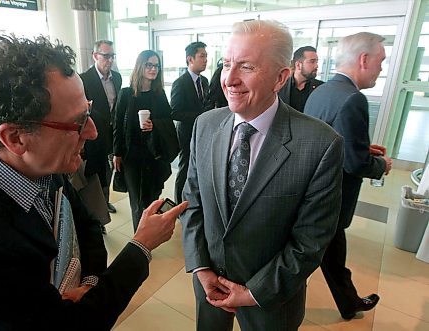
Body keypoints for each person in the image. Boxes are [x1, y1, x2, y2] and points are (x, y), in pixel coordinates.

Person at [0, 35, 187, 330]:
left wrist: (90, 285)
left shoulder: (40, 158)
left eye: (87, 113)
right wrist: (141, 245)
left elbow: (86, 224)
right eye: (77, 122)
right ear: (15, 138)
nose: (91, 132)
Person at [181, 20, 345, 330]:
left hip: (271, 298)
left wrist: (255, 291)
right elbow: (192, 201)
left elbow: (311, 239)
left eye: (246, 67)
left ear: (280, 77)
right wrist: (199, 265)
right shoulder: (205, 125)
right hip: (209, 284)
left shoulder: (320, 144)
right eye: (226, 64)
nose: (228, 79)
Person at [304, 32, 393, 321]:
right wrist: (382, 165)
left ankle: (349, 301)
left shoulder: (322, 91)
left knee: (330, 253)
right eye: (381, 61)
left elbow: (328, 140)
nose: (382, 68)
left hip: (312, 191)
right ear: (364, 59)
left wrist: (361, 147)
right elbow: (354, 164)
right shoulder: (353, 99)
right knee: (312, 256)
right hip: (331, 196)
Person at [113, 50, 176, 231]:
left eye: (156, 66)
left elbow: (168, 122)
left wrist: (154, 125)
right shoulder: (126, 94)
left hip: (153, 154)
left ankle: (150, 231)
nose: (153, 69)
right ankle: (140, 238)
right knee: (136, 200)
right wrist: (117, 153)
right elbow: (117, 124)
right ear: (140, 66)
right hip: (132, 155)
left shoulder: (159, 94)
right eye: (149, 65)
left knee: (151, 196)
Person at [80, 40, 122, 217]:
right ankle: (98, 211)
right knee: (96, 174)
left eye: (112, 56)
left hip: (112, 133)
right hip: (95, 135)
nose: (110, 60)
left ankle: (105, 201)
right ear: (95, 56)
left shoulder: (117, 78)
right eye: (106, 56)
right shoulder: (84, 79)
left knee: (110, 169)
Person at [171, 41, 208, 203]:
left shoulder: (204, 81)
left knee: (199, 166)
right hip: (186, 133)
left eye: (206, 56)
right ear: (190, 59)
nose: (206, 60)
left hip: (203, 132)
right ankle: (179, 203)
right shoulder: (180, 83)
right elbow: (175, 112)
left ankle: (194, 199)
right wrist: (201, 115)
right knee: (185, 166)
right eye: (202, 56)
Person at [278, 46, 324, 112]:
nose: (316, 66)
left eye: (317, 62)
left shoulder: (321, 88)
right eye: (312, 61)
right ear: (298, 65)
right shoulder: (280, 86)